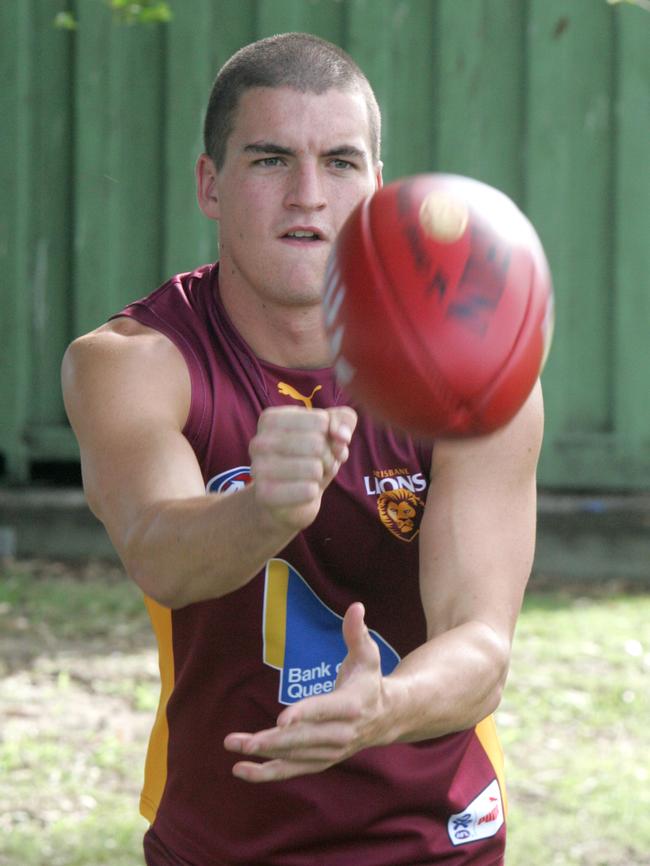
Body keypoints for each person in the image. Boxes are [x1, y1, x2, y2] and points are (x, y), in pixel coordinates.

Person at [61, 32, 543, 866]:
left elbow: (480, 646)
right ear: (210, 185)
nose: (309, 197)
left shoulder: (471, 371)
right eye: (271, 160)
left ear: (380, 187)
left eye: (343, 163)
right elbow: (161, 555)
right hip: (219, 840)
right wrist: (264, 508)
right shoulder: (132, 362)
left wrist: (382, 709)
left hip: (437, 840)